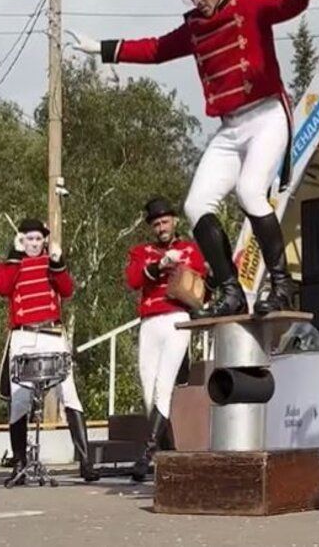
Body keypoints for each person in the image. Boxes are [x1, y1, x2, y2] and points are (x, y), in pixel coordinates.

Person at [69, 0, 316, 318]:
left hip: (267, 114)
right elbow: (154, 50)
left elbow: (288, 6)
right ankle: (231, 290)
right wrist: (102, 49)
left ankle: (282, 285)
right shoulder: (194, 29)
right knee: (196, 204)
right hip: (231, 126)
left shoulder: (249, 2)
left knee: (251, 192)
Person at [0, 218, 99, 484]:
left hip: (51, 333)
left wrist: (58, 261)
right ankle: (19, 462)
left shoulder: (50, 262)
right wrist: (14, 256)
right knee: (19, 401)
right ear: (21, 240)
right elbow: (2, 287)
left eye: (38, 239)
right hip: (23, 335)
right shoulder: (11, 264)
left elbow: (67, 289)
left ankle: (85, 461)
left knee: (69, 394)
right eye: (29, 239)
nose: (34, 244)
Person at [124, 197, 207, 482]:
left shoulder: (190, 249)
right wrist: (158, 267)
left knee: (163, 387)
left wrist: (179, 270)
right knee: (149, 392)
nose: (161, 227)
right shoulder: (141, 251)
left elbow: (201, 282)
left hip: (176, 319)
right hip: (149, 321)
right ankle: (169, 454)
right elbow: (133, 280)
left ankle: (146, 455)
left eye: (165, 221)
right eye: (156, 223)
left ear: (174, 221)